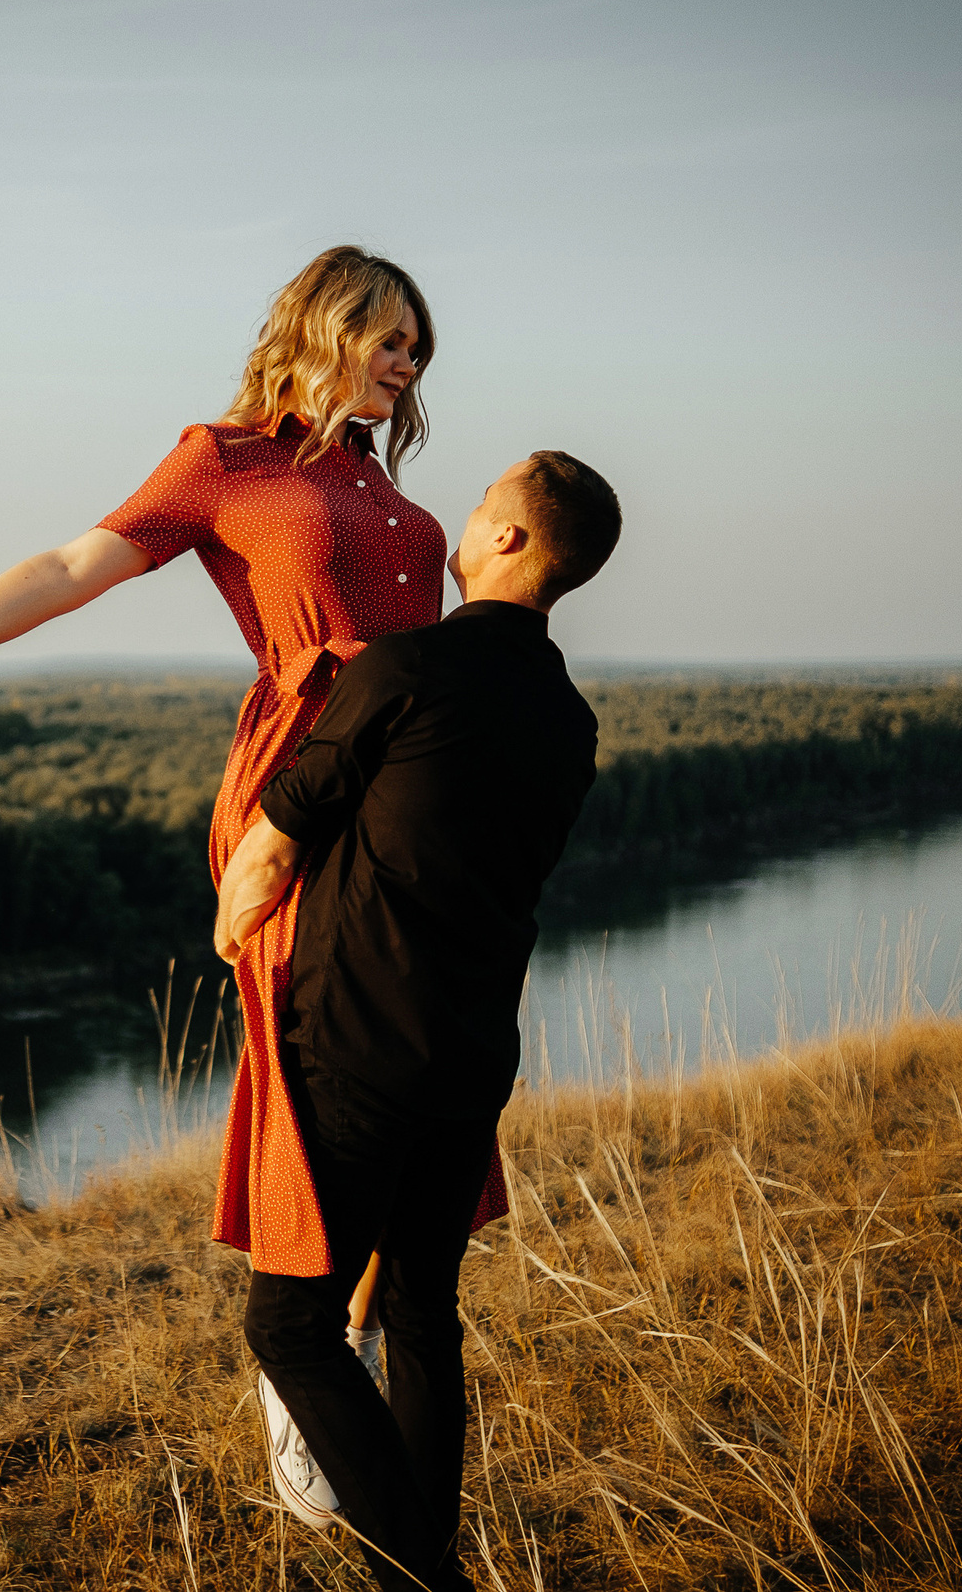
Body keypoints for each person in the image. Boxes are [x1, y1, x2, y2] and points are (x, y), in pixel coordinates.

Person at [0, 247, 508, 1305]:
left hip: (419, 782)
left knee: (418, 1040)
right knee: (316, 1054)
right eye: (389, 338)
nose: (408, 363)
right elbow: (74, 565)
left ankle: (370, 1318)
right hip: (306, 771)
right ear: (323, 327)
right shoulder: (222, 460)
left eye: (416, 347)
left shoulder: (368, 473)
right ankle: (308, 1335)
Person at [212, 450, 622, 1591]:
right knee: (420, 1308)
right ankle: (421, 1563)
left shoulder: (405, 666)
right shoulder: (567, 716)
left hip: (353, 1038)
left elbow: (276, 842)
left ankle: (426, 1577)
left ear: (510, 542)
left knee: (291, 1324)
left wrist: (233, 932)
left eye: (492, 496)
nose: (473, 502)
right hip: (474, 1050)